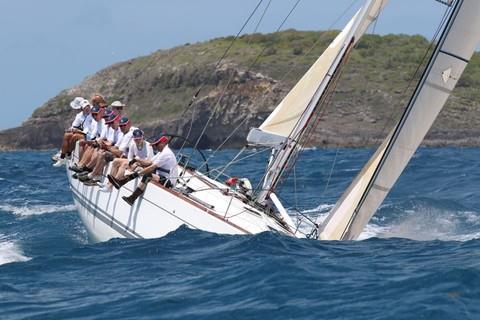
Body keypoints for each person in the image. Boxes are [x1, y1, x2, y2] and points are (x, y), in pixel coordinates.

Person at [110, 135, 178, 206]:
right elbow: (148, 162)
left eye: (157, 144)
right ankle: (121, 182)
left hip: (168, 181)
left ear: (163, 143)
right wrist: (137, 160)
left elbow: (151, 167)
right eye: (155, 145)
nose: (155, 147)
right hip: (160, 175)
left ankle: (132, 198)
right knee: (140, 168)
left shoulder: (166, 153)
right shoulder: (161, 152)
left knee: (147, 175)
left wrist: (138, 173)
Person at [53, 99, 92, 167]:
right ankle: (62, 157)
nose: (87, 109)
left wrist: (77, 131)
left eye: (88, 107)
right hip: (83, 133)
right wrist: (72, 129)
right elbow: (75, 125)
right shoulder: (80, 115)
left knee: (75, 136)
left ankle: (68, 154)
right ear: (82, 108)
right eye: (85, 108)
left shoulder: (92, 115)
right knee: (67, 135)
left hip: (89, 135)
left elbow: (87, 131)